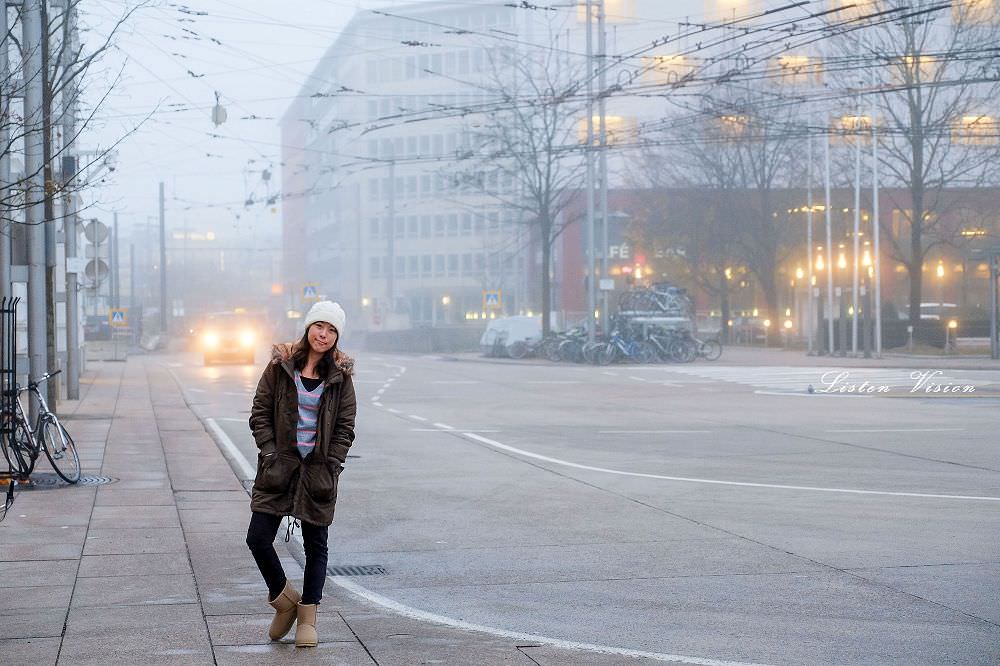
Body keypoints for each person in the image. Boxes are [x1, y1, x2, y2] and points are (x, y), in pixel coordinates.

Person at [245, 300, 357, 647]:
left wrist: (332, 462)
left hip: (318, 474)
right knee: (258, 538)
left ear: (337, 337)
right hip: (279, 468)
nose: (324, 335)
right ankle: (285, 601)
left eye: (332, 330)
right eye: (319, 326)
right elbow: (260, 411)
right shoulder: (280, 367)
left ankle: (308, 616)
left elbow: (345, 426)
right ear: (308, 328)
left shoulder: (340, 378)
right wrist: (269, 451)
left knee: (316, 546)